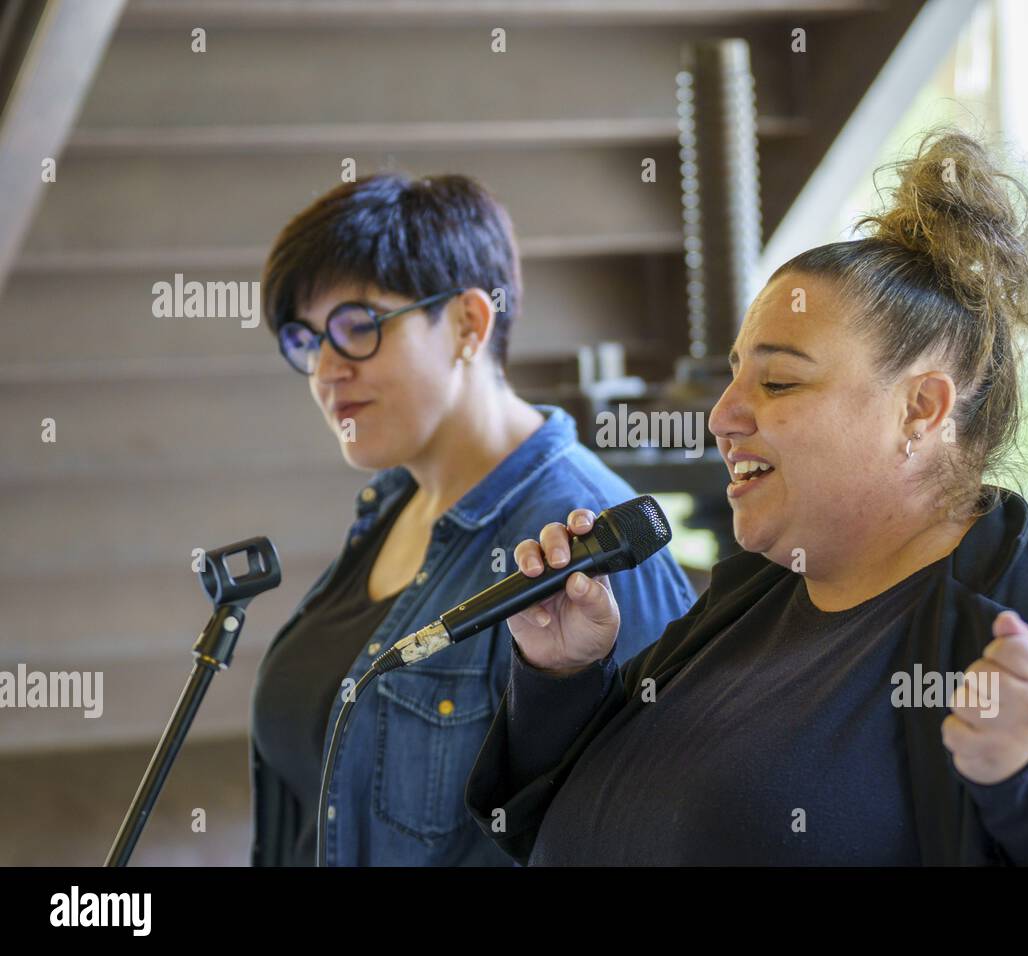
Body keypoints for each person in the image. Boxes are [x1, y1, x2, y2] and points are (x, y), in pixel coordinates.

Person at [463, 130, 1028, 865]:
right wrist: (562, 678)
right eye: (736, 376)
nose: (722, 417)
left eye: (777, 381)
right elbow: (551, 824)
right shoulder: (749, 601)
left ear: (921, 410)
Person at [248, 172, 697, 866]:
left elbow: (651, 834)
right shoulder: (396, 502)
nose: (326, 370)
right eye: (307, 340)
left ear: (468, 323)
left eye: (358, 327)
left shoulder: (586, 548)